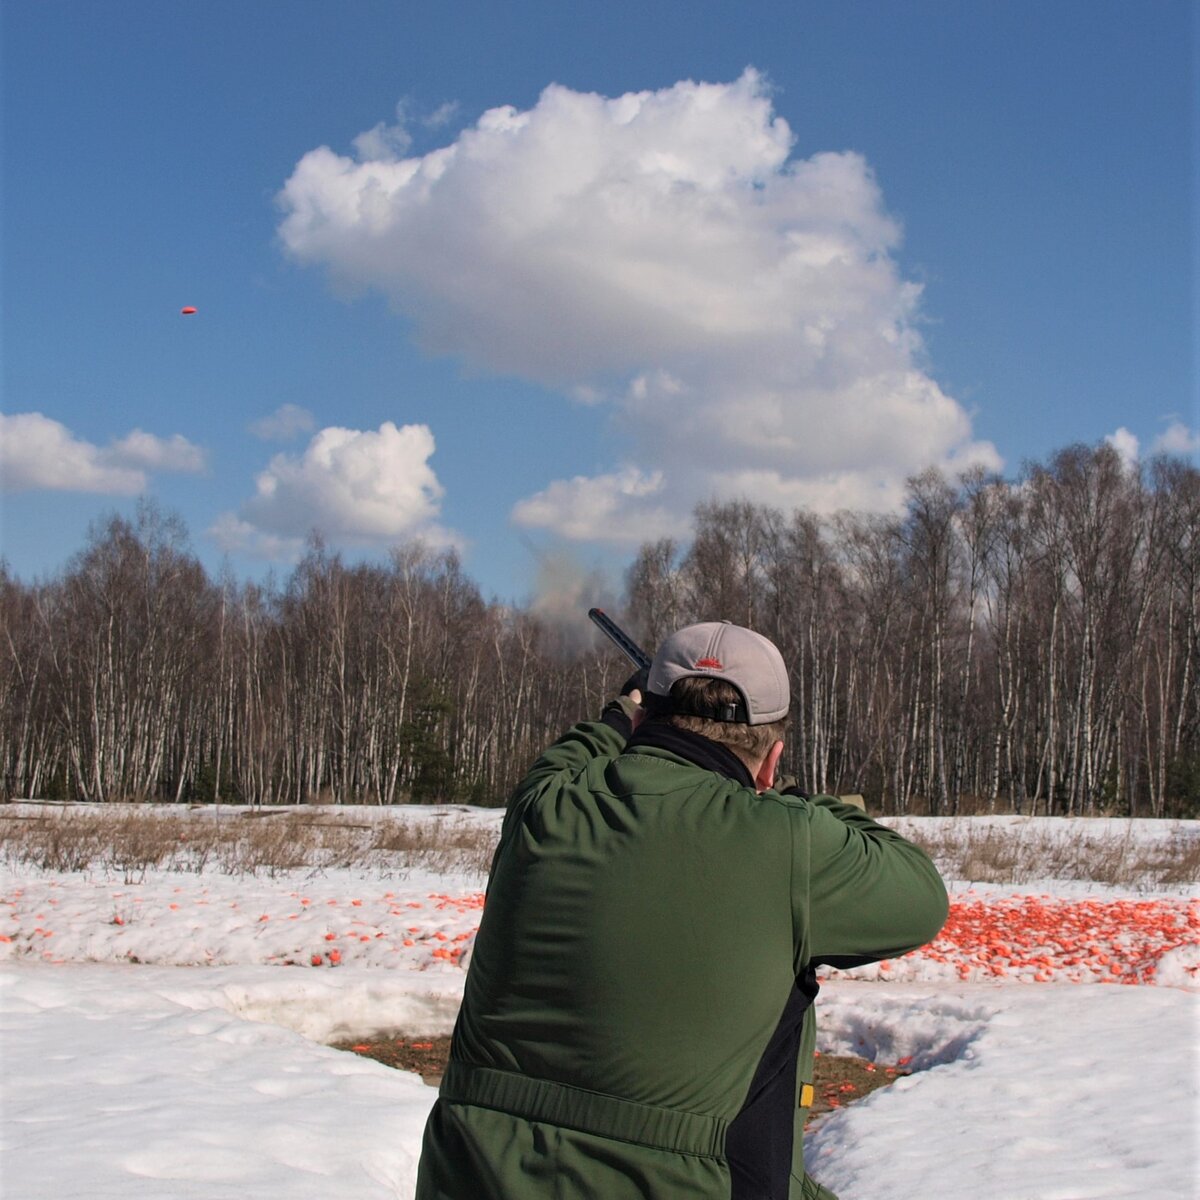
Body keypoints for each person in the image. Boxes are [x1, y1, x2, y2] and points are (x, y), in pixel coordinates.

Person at [416, 620, 949, 1199]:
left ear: (643, 721)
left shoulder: (542, 803)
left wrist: (621, 709)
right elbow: (921, 895)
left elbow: (576, 750)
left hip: (469, 1174)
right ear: (770, 762)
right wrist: (796, 802)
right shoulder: (790, 839)